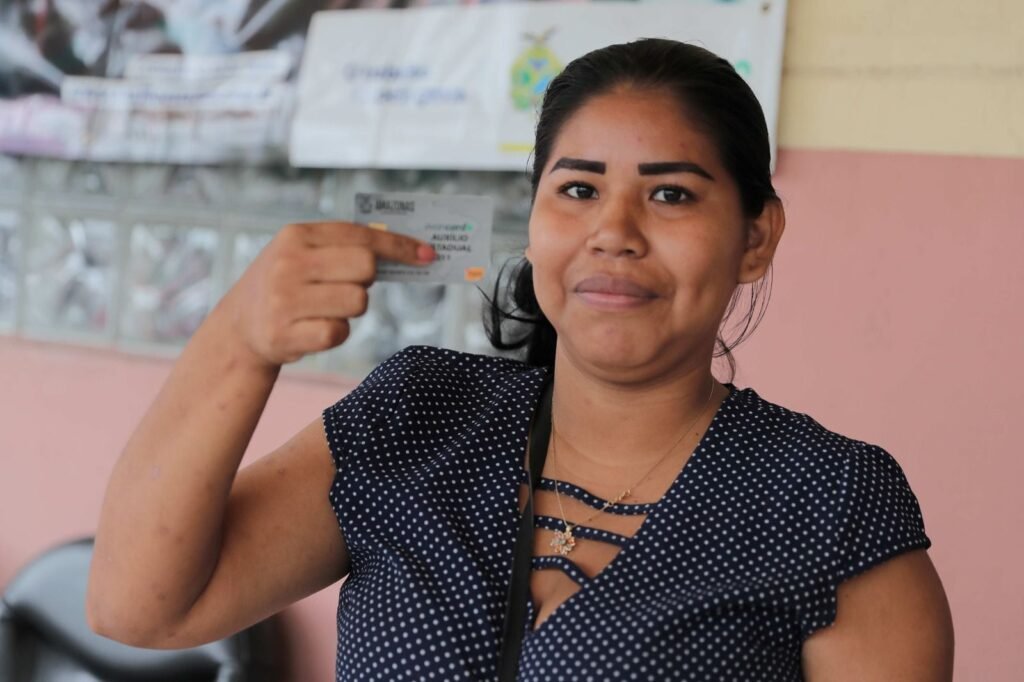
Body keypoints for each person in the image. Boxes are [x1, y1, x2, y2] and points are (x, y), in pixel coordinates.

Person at [86, 39, 954, 680]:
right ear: (535, 220)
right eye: (578, 189)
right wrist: (239, 342)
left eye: (671, 194)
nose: (613, 232)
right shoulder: (420, 415)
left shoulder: (832, 502)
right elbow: (140, 607)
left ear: (756, 237)